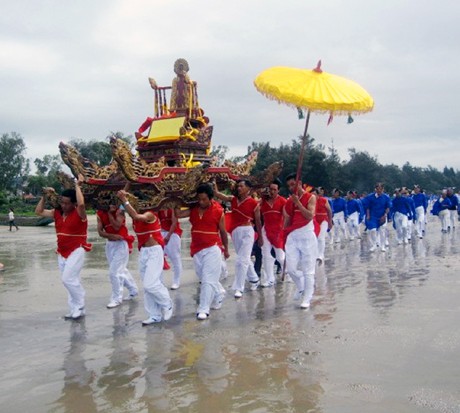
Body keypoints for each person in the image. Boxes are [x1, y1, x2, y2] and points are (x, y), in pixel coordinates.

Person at [35, 174, 91, 320]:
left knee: (67, 279)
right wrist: (44, 197)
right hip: (61, 252)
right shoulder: (57, 213)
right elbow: (39, 212)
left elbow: (82, 204)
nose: (64, 205)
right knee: (71, 281)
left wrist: (77, 185)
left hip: (77, 250)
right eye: (62, 203)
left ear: (73, 204)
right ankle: (74, 309)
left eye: (67, 203)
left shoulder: (80, 214)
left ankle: (80, 305)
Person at [117, 190, 173, 325]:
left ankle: (167, 303)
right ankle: (154, 314)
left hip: (155, 252)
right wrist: (123, 196)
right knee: (147, 286)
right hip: (144, 253)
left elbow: (137, 216)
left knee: (151, 284)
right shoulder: (134, 215)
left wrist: (124, 200)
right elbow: (127, 212)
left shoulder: (150, 214)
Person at [175, 183, 230, 320]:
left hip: (213, 247)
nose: (201, 202)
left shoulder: (218, 211)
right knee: (203, 276)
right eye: (199, 199)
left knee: (207, 279)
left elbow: (223, 232)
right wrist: (174, 198)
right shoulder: (193, 209)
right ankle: (219, 293)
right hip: (196, 248)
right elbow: (178, 214)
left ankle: (203, 309)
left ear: (211, 198)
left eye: (204, 199)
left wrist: (226, 249)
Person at [214, 180, 262, 298]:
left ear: (248, 189)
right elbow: (218, 194)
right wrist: (214, 182)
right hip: (235, 232)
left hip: (247, 232)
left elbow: (258, 221)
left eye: (241, 186)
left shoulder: (254, 203)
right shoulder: (233, 199)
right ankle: (255, 279)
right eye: (238, 186)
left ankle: (239, 288)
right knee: (244, 258)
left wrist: (260, 237)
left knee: (241, 260)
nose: (239, 188)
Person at [283, 173, 318, 310]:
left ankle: (307, 297)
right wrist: (284, 234)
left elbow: (310, 216)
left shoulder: (311, 197)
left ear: (300, 183)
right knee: (290, 269)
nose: (291, 188)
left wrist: (298, 203)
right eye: (289, 186)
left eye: (293, 184)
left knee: (308, 270)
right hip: (293, 236)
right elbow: (287, 219)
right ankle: (301, 285)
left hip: (307, 235)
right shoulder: (289, 200)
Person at [97, 203, 138, 309]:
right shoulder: (100, 213)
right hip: (110, 245)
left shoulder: (120, 211)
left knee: (114, 272)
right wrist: (111, 236)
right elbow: (100, 232)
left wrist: (110, 214)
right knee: (121, 270)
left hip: (121, 244)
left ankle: (116, 298)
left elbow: (116, 226)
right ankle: (133, 290)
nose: (111, 205)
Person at [256, 179, 287, 287]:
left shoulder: (283, 201)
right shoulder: (262, 201)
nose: (272, 191)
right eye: (270, 189)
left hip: (278, 231)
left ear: (278, 190)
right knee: (266, 255)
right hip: (266, 230)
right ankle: (270, 279)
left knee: (280, 257)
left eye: (274, 189)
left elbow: (287, 216)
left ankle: (289, 272)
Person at [362, 183, 391, 252]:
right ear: (375, 189)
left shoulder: (386, 197)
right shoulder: (370, 197)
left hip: (382, 215)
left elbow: (388, 207)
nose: (379, 190)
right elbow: (367, 207)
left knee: (382, 231)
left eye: (381, 189)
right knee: (373, 230)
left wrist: (385, 215)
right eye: (377, 189)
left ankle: (382, 246)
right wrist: (368, 215)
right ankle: (374, 245)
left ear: (383, 189)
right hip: (373, 216)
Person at [158, 209, 183, 290]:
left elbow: (174, 223)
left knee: (175, 258)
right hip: (162, 233)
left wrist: (168, 236)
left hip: (173, 234)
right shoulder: (160, 207)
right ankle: (160, 281)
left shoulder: (173, 208)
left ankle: (176, 281)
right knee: (159, 258)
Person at [312, 187, 332, 264]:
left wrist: (330, 221)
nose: (313, 196)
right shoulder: (309, 201)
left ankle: (321, 254)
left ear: (318, 195)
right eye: (311, 194)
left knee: (321, 237)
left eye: (314, 194)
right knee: (315, 238)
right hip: (314, 221)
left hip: (323, 220)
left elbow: (329, 211)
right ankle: (316, 253)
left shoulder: (324, 200)